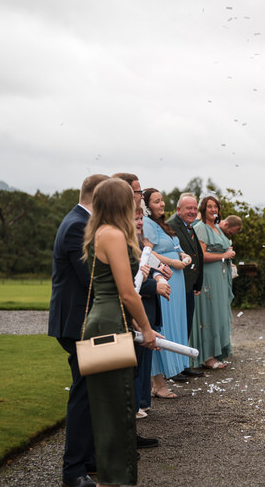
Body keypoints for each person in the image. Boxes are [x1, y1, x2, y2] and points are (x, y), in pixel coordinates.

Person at [80, 177, 158, 486]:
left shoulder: (100, 232)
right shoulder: (112, 235)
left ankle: (111, 479)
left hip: (106, 320)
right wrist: (148, 329)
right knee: (117, 408)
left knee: (111, 408)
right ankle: (114, 480)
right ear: (121, 203)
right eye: (133, 199)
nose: (137, 203)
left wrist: (142, 327)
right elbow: (127, 293)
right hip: (111, 323)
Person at [49, 174, 108, 487]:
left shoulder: (83, 223)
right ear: (98, 196)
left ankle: (89, 458)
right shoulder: (77, 225)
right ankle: (72, 471)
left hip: (88, 320)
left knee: (94, 390)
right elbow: (91, 280)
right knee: (83, 393)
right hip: (77, 322)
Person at [142, 188, 189, 399]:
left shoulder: (162, 224)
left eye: (162, 201)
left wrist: (183, 255)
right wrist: (171, 262)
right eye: (157, 201)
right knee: (163, 330)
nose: (162, 204)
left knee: (173, 328)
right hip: (165, 277)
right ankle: (158, 383)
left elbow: (175, 247)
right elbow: (147, 252)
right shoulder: (148, 225)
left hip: (176, 280)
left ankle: (161, 381)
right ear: (147, 205)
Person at [132, 204, 169, 419]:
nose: (141, 222)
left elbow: (148, 265)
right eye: (137, 218)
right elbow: (128, 282)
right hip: (138, 304)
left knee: (144, 361)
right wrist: (154, 284)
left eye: (141, 218)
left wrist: (157, 275)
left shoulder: (139, 243)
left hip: (147, 303)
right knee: (135, 360)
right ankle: (134, 405)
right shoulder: (123, 244)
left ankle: (142, 402)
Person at [191, 196, 237, 369]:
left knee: (218, 312)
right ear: (203, 209)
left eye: (215, 206)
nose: (213, 209)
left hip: (220, 276)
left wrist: (227, 255)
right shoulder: (201, 228)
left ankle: (218, 350)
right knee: (209, 313)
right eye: (209, 206)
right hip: (208, 278)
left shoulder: (216, 227)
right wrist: (223, 256)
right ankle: (207, 356)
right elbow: (200, 255)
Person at [166, 192, 205, 379]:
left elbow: (196, 254)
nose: (192, 211)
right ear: (178, 209)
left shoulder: (189, 226)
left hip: (189, 284)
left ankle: (182, 364)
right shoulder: (171, 226)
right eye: (188, 208)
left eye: (194, 208)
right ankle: (173, 369)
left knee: (186, 325)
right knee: (178, 325)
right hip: (178, 283)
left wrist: (198, 282)